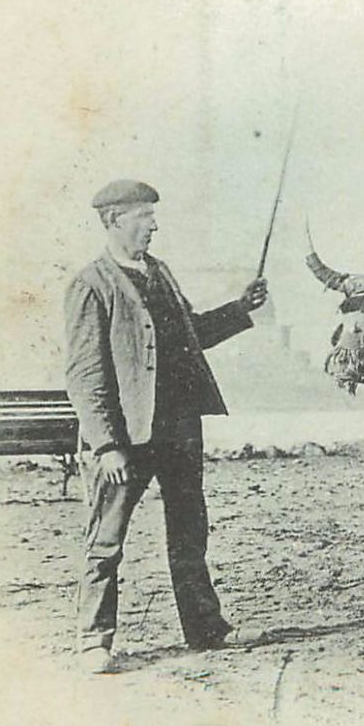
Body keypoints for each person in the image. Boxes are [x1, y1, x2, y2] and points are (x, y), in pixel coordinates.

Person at [63, 179, 269, 673]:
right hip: (126, 439)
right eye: (143, 217)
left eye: (153, 216)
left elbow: (189, 336)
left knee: (189, 531)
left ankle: (206, 629)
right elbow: (85, 373)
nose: (154, 225)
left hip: (179, 429)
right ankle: (94, 639)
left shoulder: (161, 273)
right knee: (106, 538)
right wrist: (106, 445)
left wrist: (240, 310)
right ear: (114, 221)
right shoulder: (91, 284)